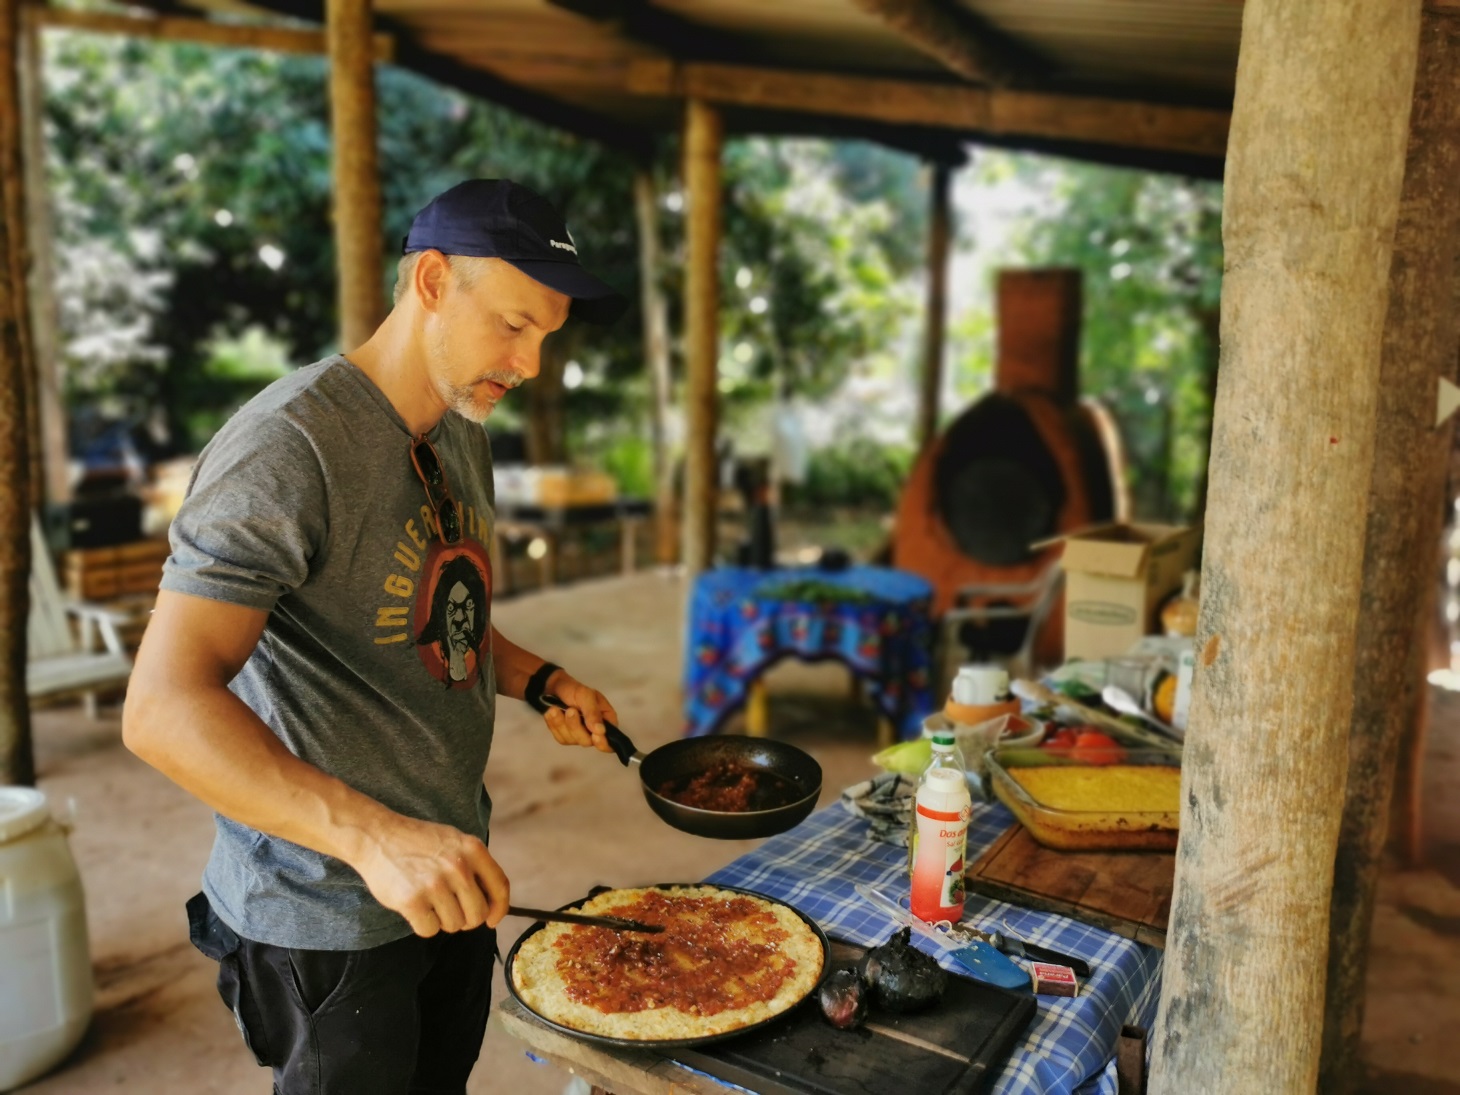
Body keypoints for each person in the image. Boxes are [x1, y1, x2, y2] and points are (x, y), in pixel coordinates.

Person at [121, 179, 628, 1094]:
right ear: (432, 280)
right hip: (326, 910)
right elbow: (161, 707)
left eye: (546, 335)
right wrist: (375, 838)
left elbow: (439, 611)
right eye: (515, 324)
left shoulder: (458, 423)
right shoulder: (290, 444)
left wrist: (539, 677)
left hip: (450, 875)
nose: (532, 363)